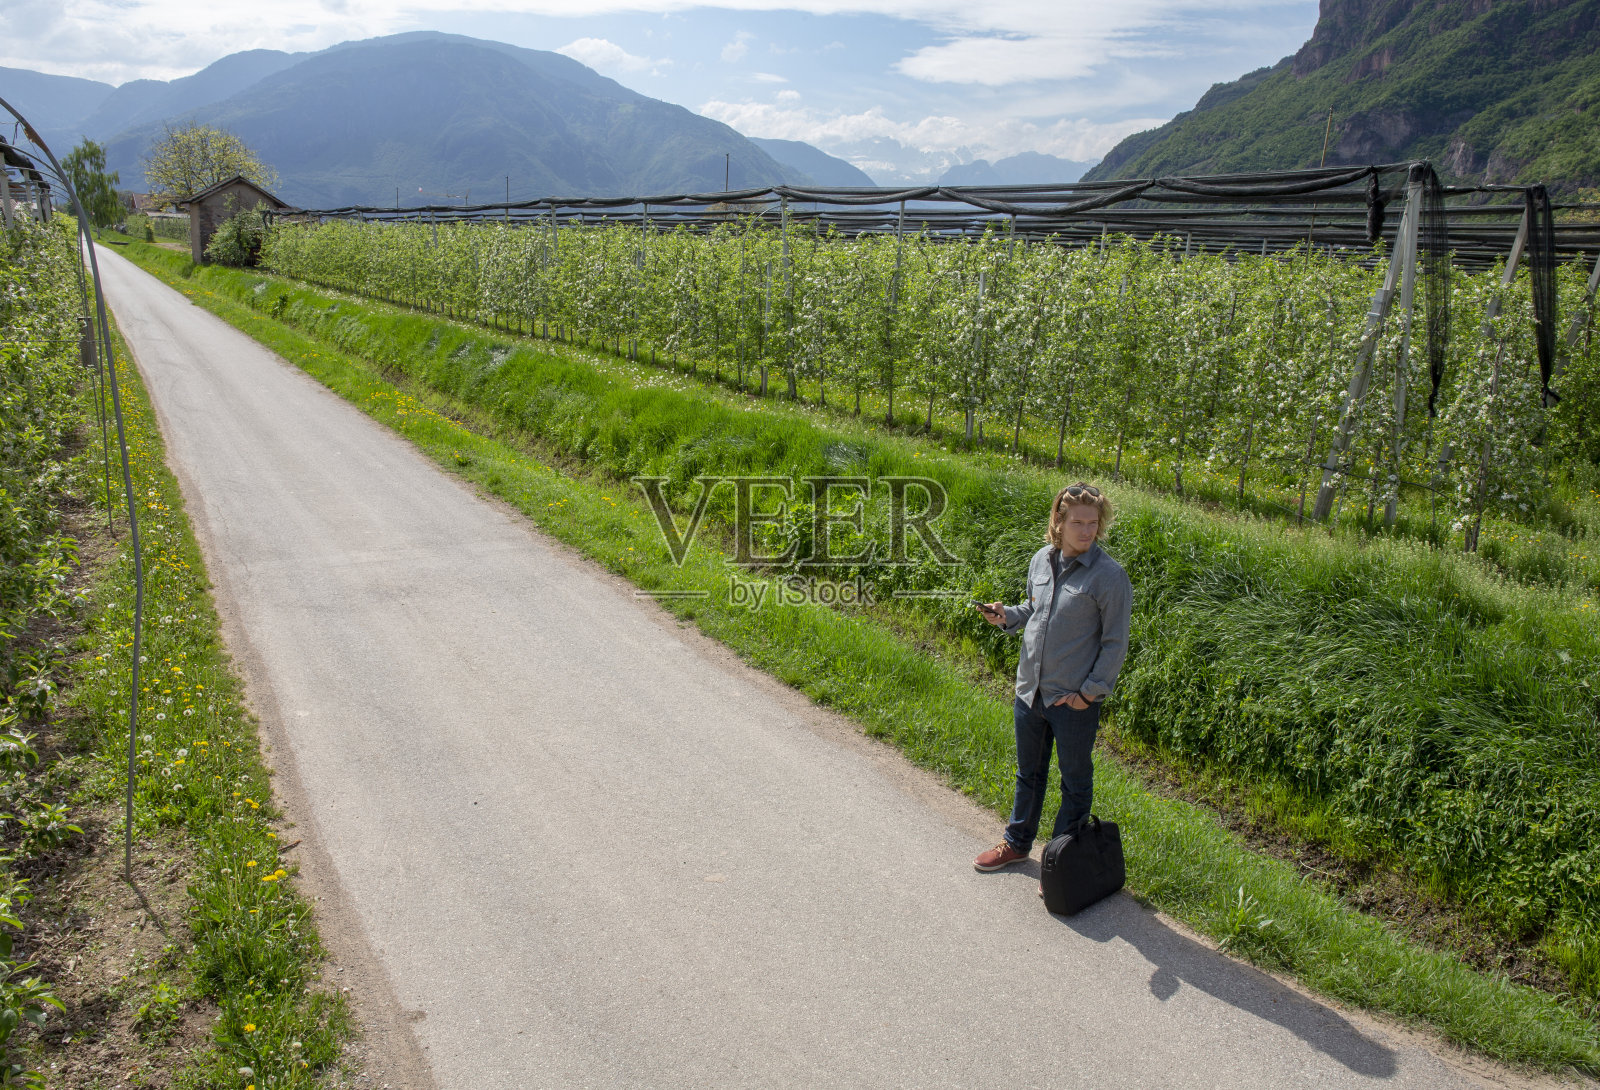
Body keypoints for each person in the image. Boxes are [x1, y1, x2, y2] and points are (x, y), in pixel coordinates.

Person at [972, 481, 1132, 873]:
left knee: (1074, 784)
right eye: (1077, 522)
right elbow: (1034, 608)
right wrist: (1007, 615)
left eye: (1093, 522)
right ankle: (1016, 843)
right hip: (1030, 692)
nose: (1087, 531)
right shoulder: (1041, 559)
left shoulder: (1109, 577)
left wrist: (1089, 694)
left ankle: (1059, 865)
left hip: (1072, 701)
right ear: (1058, 522)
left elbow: (1115, 644)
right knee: (1029, 774)